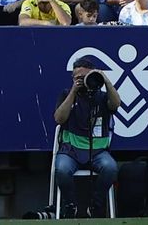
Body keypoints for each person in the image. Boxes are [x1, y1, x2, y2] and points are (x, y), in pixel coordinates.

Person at [52, 57, 121, 220]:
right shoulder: (66, 94)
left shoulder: (102, 97)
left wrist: (105, 80)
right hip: (70, 150)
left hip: (98, 151)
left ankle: (95, 207)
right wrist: (73, 91)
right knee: (61, 170)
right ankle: (70, 207)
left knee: (110, 168)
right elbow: (59, 119)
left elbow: (116, 104)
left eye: (85, 77)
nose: (81, 81)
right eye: (77, 78)